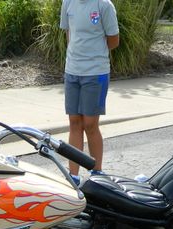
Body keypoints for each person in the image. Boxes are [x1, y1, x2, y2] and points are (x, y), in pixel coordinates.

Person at [60, 0, 119, 184]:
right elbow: (69, 32)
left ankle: (97, 174)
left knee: (90, 124)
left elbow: (114, 40)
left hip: (96, 73)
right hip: (72, 71)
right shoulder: (67, 2)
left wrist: (93, 54)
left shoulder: (104, 5)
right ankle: (73, 176)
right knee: (74, 122)